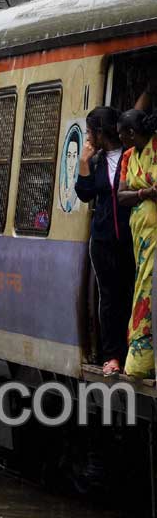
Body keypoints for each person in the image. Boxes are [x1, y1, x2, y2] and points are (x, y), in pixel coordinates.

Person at [76, 107, 134, 377]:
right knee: (109, 298)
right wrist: (84, 163)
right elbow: (86, 194)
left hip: (130, 237)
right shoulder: (97, 161)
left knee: (131, 295)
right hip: (102, 240)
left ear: (101, 132)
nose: (88, 137)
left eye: (89, 131)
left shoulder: (131, 156)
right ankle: (112, 355)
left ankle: (134, 352)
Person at [116, 109, 157, 378]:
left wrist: (137, 195)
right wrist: (145, 193)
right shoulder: (129, 157)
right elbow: (121, 196)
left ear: (132, 133)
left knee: (149, 290)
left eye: (122, 133)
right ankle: (142, 358)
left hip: (154, 233)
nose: (119, 138)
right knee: (143, 286)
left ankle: (145, 359)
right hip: (140, 236)